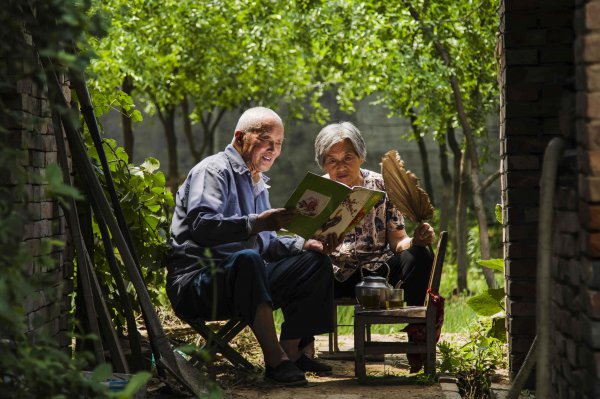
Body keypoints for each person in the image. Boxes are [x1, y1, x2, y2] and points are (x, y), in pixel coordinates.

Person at [166, 107, 335, 386]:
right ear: (240, 136)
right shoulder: (214, 170)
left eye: (279, 143)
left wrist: (306, 243)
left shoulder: (257, 182)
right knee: (248, 259)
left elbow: (267, 244)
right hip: (198, 283)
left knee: (313, 261)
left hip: (244, 280)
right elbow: (202, 226)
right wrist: (257, 223)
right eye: (265, 139)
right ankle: (274, 361)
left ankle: (292, 350)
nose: (273, 149)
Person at [314, 122, 439, 372]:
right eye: (332, 161)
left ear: (361, 156)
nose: (341, 166)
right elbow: (308, 238)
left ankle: (417, 341)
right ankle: (300, 352)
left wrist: (415, 241)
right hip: (333, 273)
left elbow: (397, 240)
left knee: (420, 255)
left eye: (347, 157)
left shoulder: (381, 185)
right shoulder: (318, 191)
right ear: (323, 164)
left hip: (377, 274)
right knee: (304, 262)